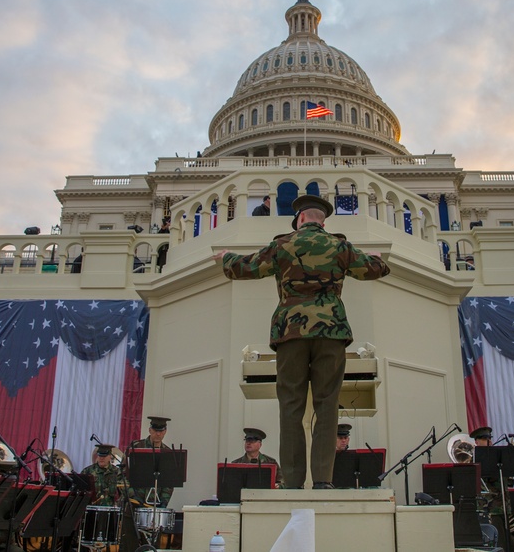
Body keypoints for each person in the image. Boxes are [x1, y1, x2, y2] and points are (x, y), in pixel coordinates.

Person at [213, 193, 390, 489]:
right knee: (328, 405)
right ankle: (322, 480)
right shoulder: (339, 245)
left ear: (301, 218)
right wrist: (378, 262)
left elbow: (247, 267)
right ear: (322, 220)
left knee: (291, 407)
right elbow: (373, 269)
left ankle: (293, 482)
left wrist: (226, 258)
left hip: (291, 331)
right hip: (331, 332)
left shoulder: (284, 244)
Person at [128, 416, 175, 506]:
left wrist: (164, 501)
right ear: (150, 430)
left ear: (165, 432)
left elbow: (169, 482)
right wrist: (132, 495)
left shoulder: (167, 453)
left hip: (154, 504)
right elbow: (122, 475)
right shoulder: (136, 447)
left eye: (161, 431)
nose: (158, 434)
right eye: (155, 430)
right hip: (132, 504)